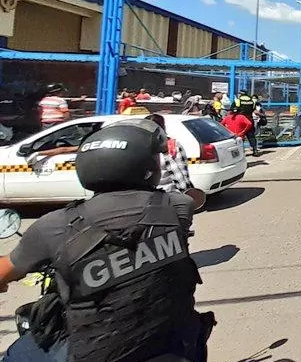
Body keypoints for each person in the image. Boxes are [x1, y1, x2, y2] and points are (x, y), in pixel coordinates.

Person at [0, 119, 211, 362]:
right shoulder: (177, 207)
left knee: (18, 354)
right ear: (147, 166)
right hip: (174, 339)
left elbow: (5, 271)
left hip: (98, 351)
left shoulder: (54, 226)